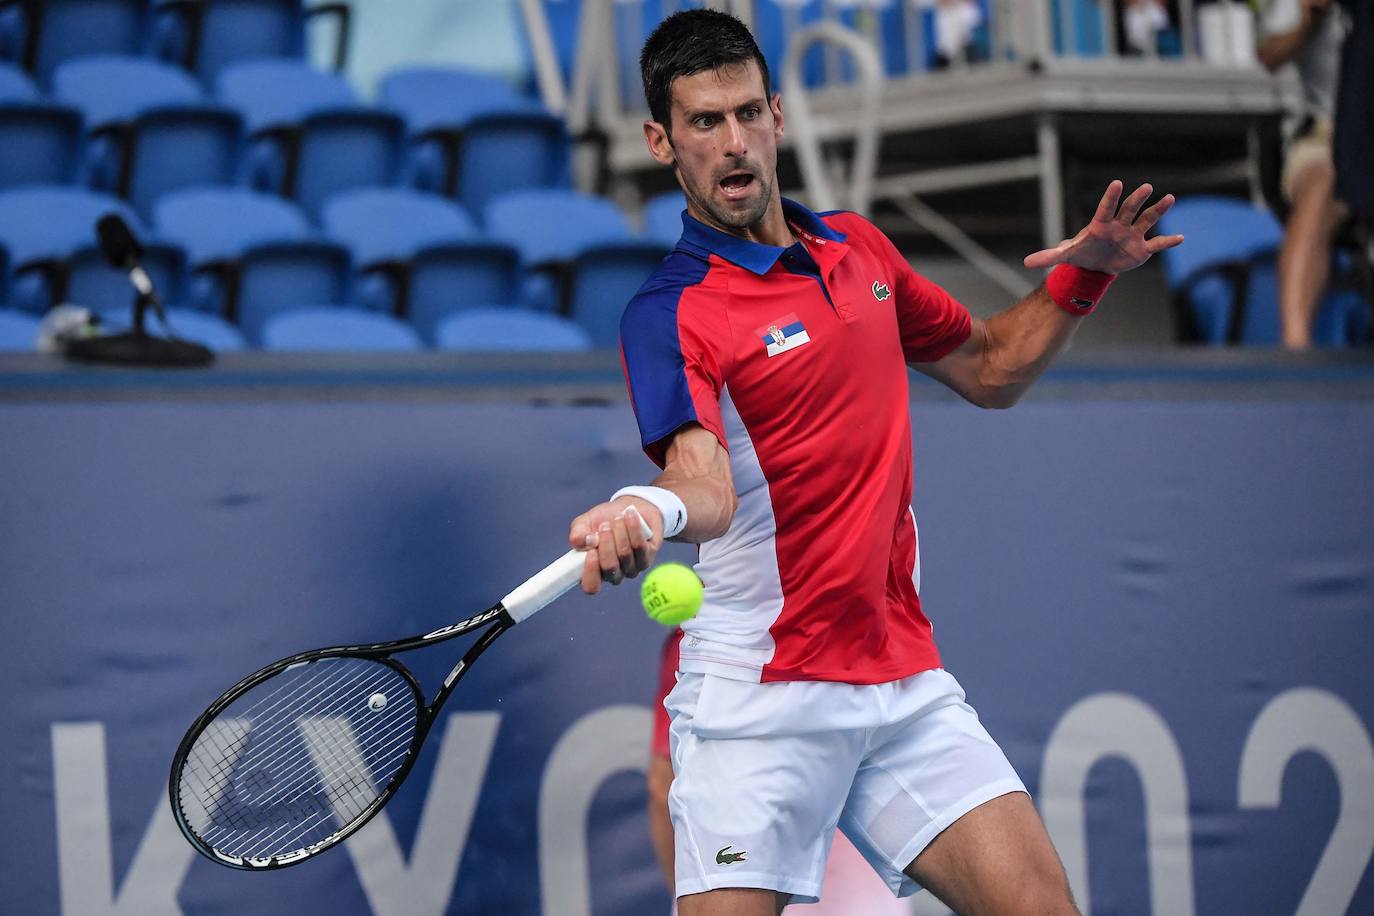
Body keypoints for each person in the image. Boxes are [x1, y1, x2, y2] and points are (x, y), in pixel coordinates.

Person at [566, 10, 1182, 914]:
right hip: (759, 704)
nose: (733, 144)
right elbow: (701, 483)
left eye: (746, 113)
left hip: (899, 683)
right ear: (662, 140)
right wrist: (644, 511)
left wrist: (1083, 275)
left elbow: (990, 366)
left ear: (777, 114)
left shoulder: (860, 250)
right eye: (704, 123)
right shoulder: (669, 313)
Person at [646, 630, 909, 916]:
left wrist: (708, 896)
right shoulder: (883, 623)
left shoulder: (704, 635)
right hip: (868, 905)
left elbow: (662, 786)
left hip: (740, 895)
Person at [1255, 0, 1352, 348]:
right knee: (1324, 182)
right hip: (1323, 138)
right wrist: (1310, 21)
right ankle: (1296, 345)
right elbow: (1267, 55)